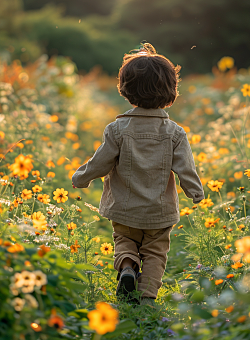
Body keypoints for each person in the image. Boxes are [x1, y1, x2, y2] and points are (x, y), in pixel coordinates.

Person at [72, 43, 204, 305]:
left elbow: (101, 162)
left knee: (124, 240)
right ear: (171, 90)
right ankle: (146, 298)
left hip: (124, 208)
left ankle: (128, 268)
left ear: (125, 89)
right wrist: (195, 191)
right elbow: (185, 168)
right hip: (159, 211)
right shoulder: (175, 133)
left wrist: (82, 177)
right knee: (156, 253)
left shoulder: (117, 129)